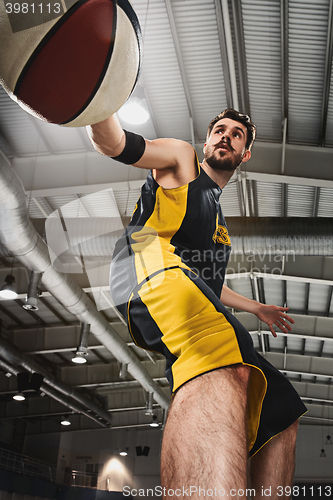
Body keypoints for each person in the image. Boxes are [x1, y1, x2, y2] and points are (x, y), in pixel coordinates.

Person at [86, 109, 306, 499]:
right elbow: (114, 142)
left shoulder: (220, 231)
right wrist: (96, 101)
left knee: (281, 408)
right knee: (226, 353)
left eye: (237, 135)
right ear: (207, 142)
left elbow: (205, 284)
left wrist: (255, 308)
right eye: (219, 130)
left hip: (180, 284)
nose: (226, 137)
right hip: (143, 266)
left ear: (245, 154)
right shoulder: (180, 161)